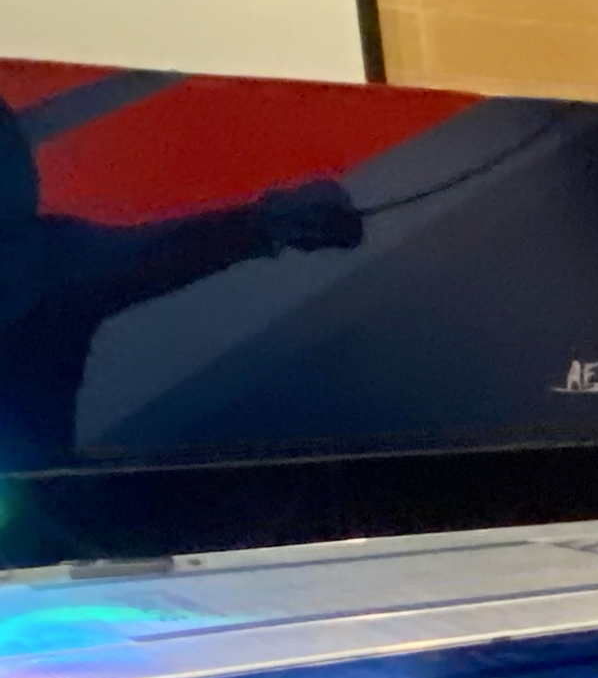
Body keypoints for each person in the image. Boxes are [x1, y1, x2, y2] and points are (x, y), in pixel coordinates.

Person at [0, 99, 363, 470]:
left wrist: (275, 222)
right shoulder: (60, 257)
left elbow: (167, 251)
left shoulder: (58, 256)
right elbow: (163, 253)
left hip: (41, 495)